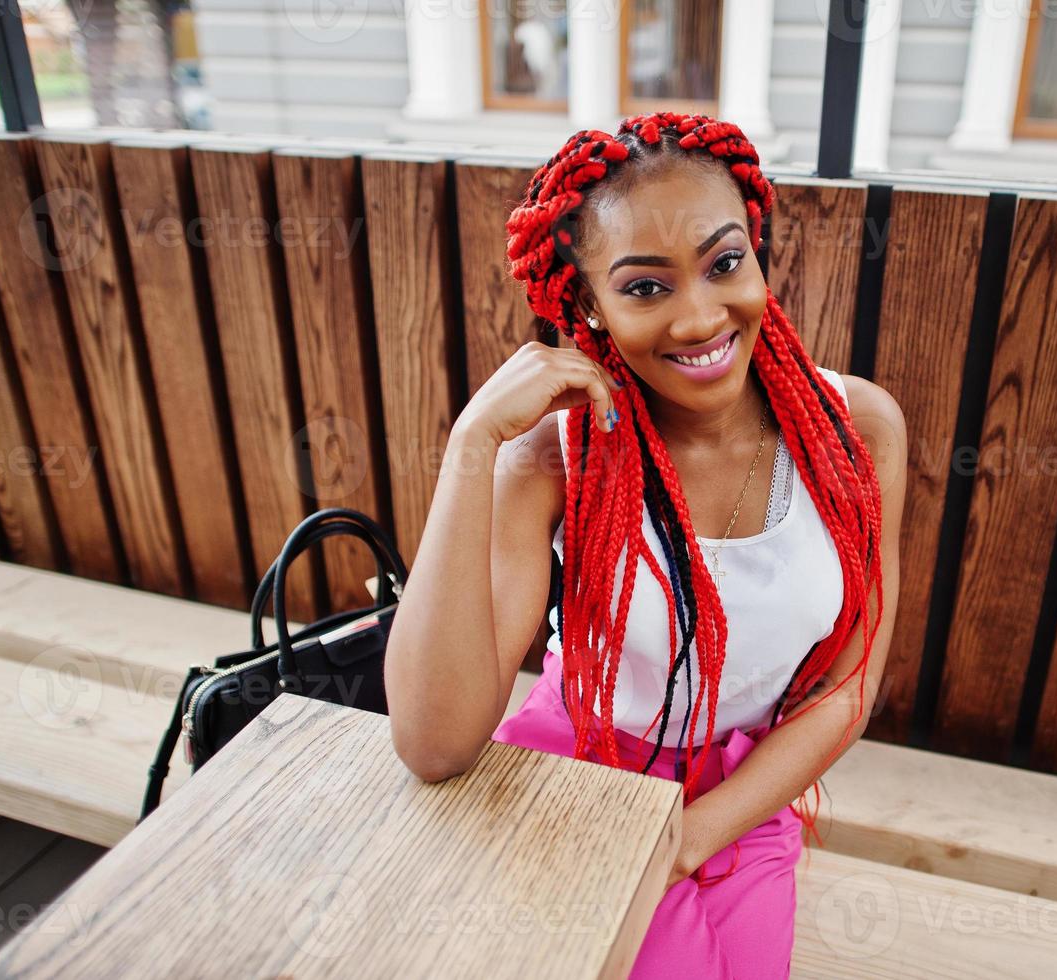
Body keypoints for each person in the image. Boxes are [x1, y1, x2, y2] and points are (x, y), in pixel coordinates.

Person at [387, 111, 908, 978]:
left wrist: (689, 836)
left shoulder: (857, 431)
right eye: (644, 287)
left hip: (745, 787)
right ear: (587, 301)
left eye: (723, 263)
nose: (700, 317)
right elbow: (434, 746)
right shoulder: (553, 456)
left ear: (755, 249)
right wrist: (472, 445)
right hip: (580, 768)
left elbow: (847, 689)